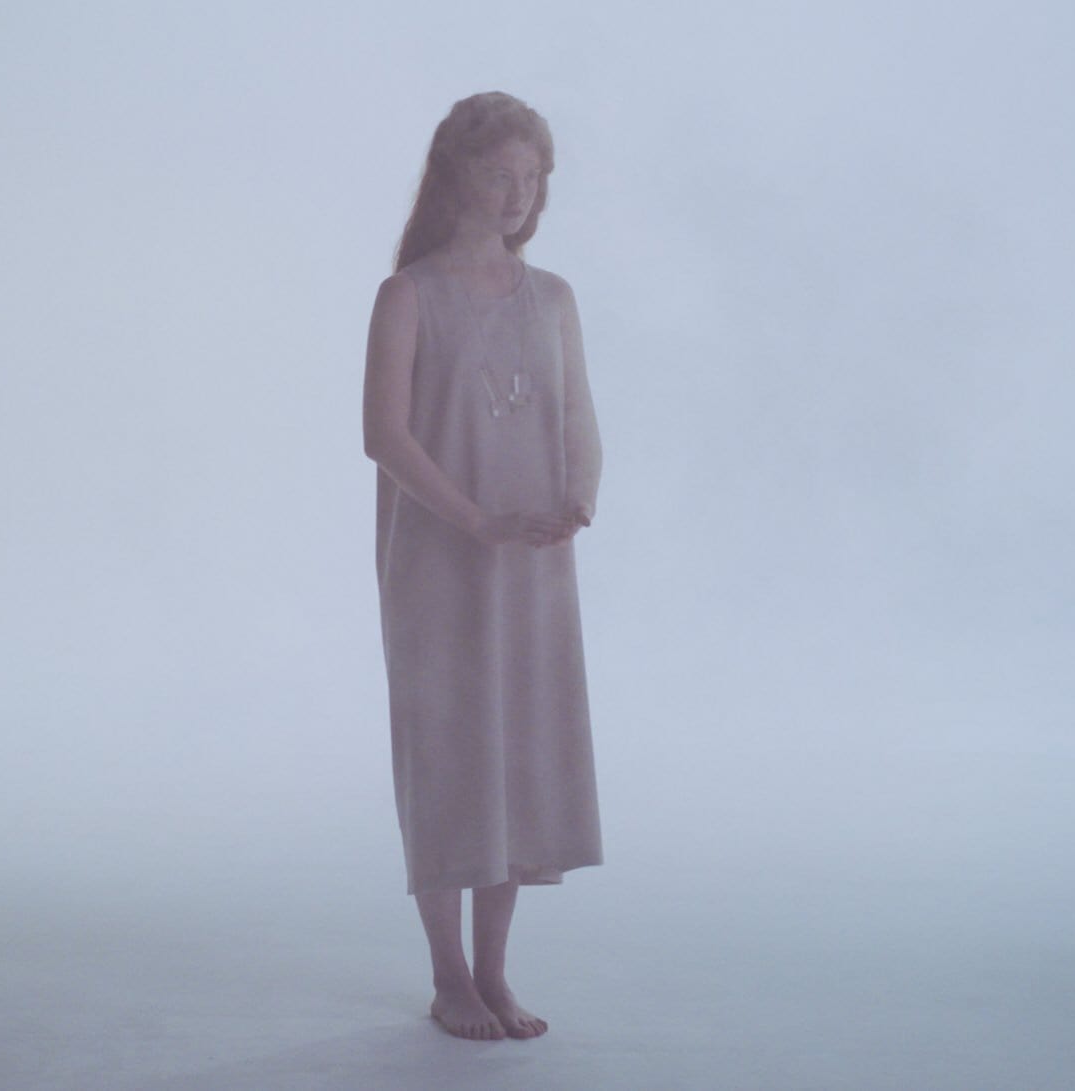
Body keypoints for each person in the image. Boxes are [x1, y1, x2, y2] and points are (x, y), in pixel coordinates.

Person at [362, 91, 603, 1042]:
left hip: (533, 560)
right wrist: (477, 521)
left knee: (519, 755)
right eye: (499, 173)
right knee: (450, 754)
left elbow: (578, 415)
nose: (517, 193)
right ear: (456, 175)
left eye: (531, 176)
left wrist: (577, 498)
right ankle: (447, 975)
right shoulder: (408, 295)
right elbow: (383, 434)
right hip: (439, 556)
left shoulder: (554, 298)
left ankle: (496, 970)